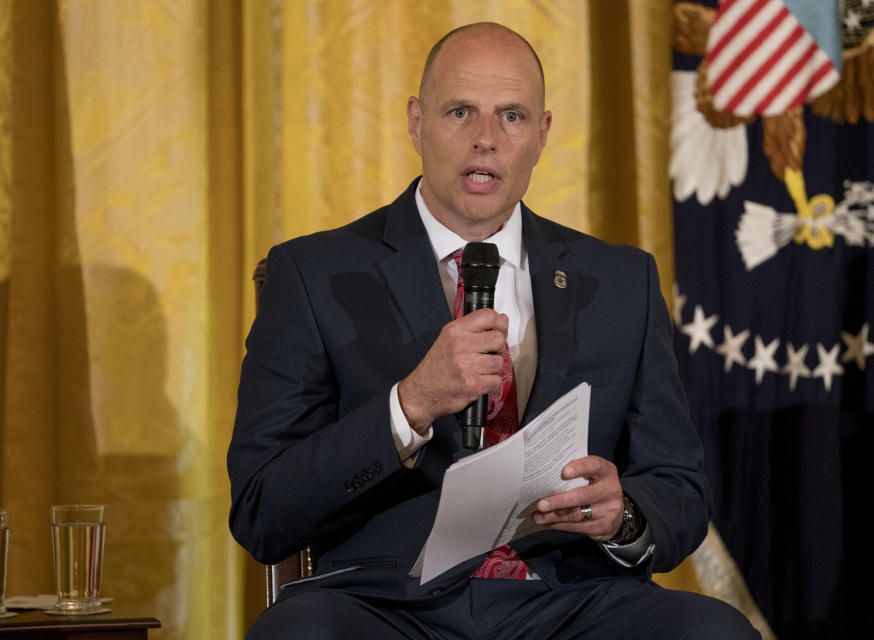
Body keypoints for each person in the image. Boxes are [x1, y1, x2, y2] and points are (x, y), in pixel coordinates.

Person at [228, 22, 759, 639]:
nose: (485, 139)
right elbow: (262, 509)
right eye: (460, 111)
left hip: (569, 601)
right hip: (385, 604)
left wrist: (624, 515)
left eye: (511, 116)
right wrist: (410, 405)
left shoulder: (622, 281)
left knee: (712, 631)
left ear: (541, 135)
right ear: (415, 122)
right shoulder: (315, 274)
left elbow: (680, 489)